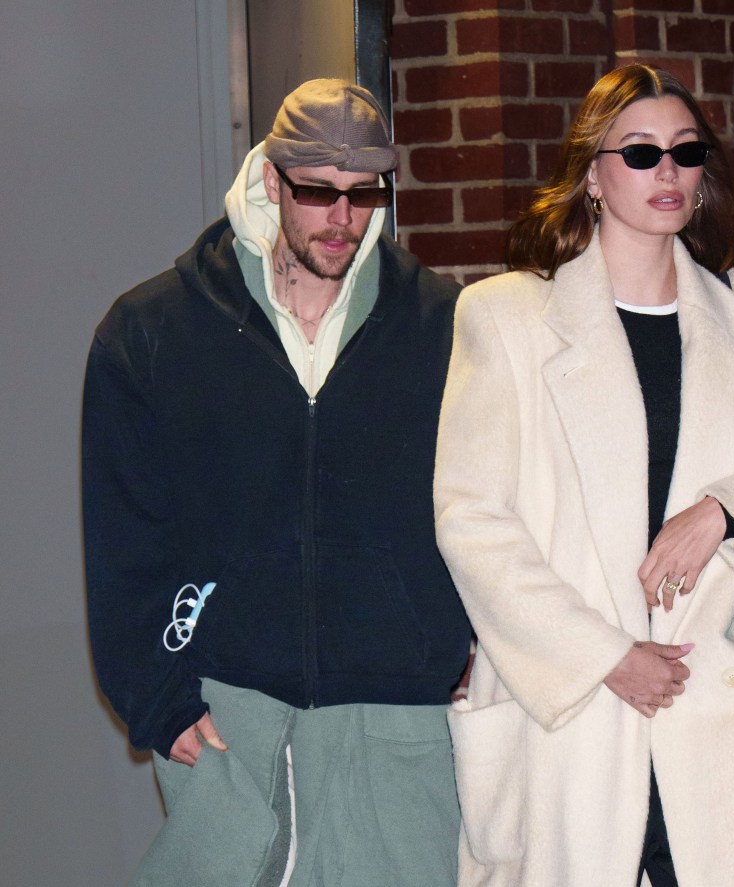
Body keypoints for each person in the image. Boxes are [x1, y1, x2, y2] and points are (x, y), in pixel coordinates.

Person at [433, 63, 734, 887]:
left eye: (686, 150)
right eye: (639, 154)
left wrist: (726, 509)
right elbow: (472, 519)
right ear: (592, 177)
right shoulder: (505, 319)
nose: (666, 171)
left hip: (706, 715)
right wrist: (603, 654)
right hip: (566, 716)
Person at [82, 79, 471, 886]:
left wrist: (459, 650)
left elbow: (483, 505)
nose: (343, 219)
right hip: (229, 718)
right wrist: (158, 697)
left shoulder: (442, 325)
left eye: (364, 194)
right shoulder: (152, 331)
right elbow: (123, 534)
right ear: (269, 179)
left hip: (399, 722)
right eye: (318, 193)